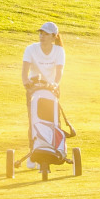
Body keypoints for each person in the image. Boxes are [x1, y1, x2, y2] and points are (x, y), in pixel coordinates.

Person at [22, 22, 65, 151]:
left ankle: (56, 148)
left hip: (51, 89)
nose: (42, 36)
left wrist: (55, 84)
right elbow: (25, 71)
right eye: (41, 33)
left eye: (46, 34)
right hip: (34, 88)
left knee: (54, 119)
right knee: (34, 120)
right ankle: (33, 149)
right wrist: (26, 82)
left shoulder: (59, 51)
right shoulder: (31, 49)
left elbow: (59, 72)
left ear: (54, 37)